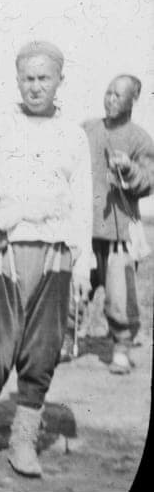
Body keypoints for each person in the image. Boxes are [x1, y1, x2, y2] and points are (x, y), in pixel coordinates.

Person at [0, 41, 92, 478]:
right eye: (28, 78)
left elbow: (82, 205)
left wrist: (83, 262)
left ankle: (23, 442)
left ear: (59, 81)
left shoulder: (73, 135)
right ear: (17, 80)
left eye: (44, 78)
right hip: (4, 252)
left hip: (53, 255)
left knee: (41, 351)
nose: (36, 87)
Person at [67, 74, 153, 373]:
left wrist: (129, 170)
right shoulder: (86, 130)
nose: (111, 99)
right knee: (72, 289)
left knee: (120, 295)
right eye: (108, 93)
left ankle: (121, 347)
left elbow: (148, 181)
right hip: (83, 230)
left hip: (119, 232)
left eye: (119, 95)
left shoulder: (140, 138)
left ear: (133, 100)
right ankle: (66, 340)